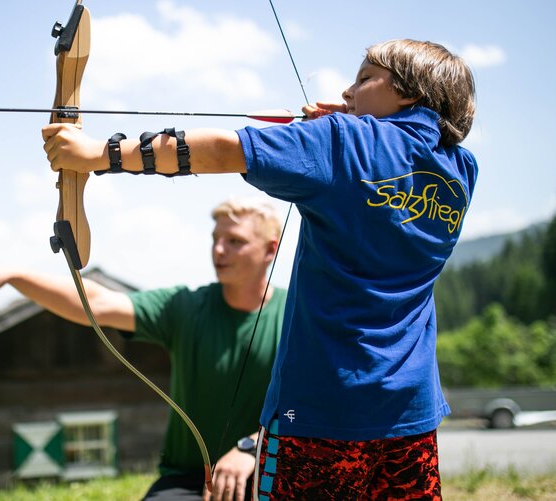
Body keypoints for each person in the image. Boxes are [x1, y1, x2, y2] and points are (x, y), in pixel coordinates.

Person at [42, 39, 478, 500]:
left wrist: (95, 155)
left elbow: (220, 150)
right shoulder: (461, 170)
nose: (348, 91)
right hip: (410, 413)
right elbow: (384, 178)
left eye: (365, 79)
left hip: (315, 414)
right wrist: (353, 119)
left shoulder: (342, 141)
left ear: (409, 92)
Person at [0, 197, 287, 501]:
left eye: (235, 241)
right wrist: (15, 276)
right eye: (215, 239)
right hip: (188, 480)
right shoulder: (185, 307)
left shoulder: (296, 318)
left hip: (270, 469)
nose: (218, 250)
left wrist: (252, 446)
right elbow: (97, 302)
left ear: (271, 250)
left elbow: (310, 405)